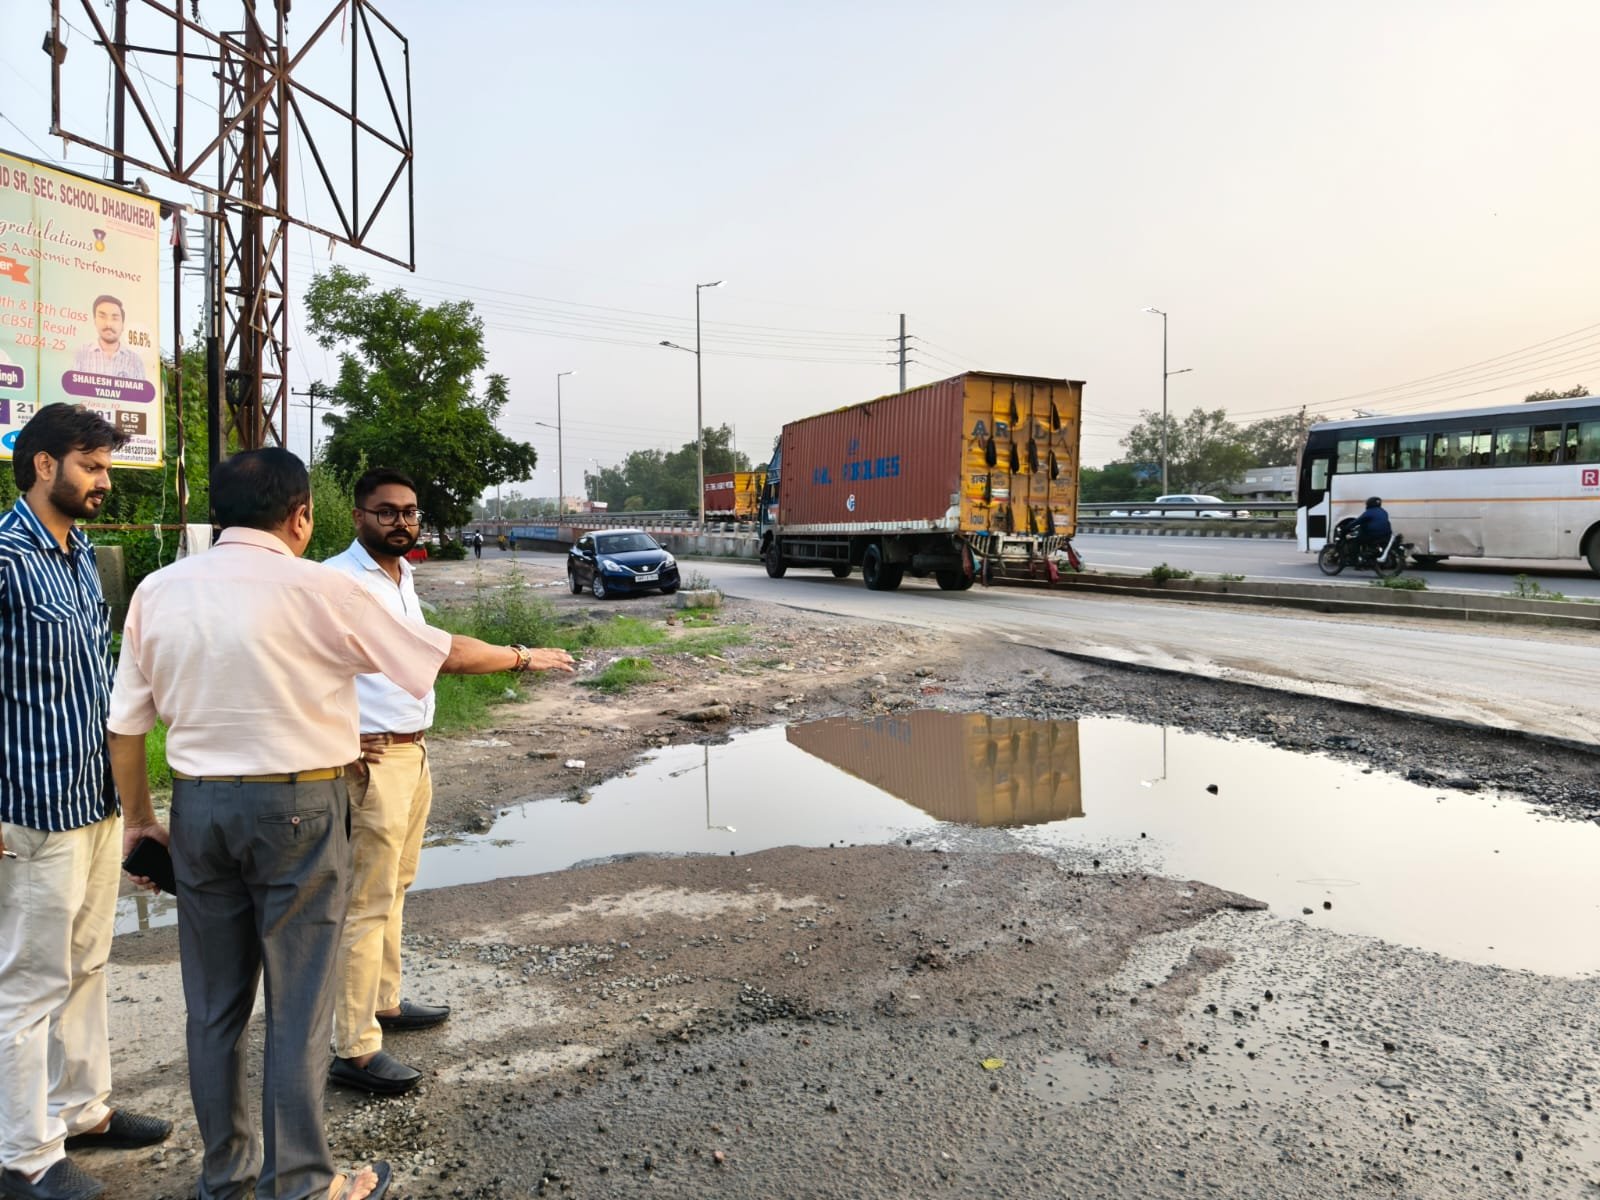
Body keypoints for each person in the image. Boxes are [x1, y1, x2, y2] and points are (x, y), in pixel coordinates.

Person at [106, 448, 574, 1200]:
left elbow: (125, 726)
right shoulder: (320, 588)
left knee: (214, 1010)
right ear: (302, 516)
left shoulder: (158, 591)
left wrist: (140, 822)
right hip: (298, 806)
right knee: (299, 1001)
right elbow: (440, 655)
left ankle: (224, 1179)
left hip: (198, 809)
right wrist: (524, 655)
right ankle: (301, 1183)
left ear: (219, 514)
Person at [0, 404, 171, 1200]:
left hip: (91, 802)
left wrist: (129, 807)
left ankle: (83, 1111)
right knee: (29, 983)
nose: (105, 480)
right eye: (92, 466)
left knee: (87, 966)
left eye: (106, 466)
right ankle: (25, 1157)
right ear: (43, 465)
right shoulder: (4, 558)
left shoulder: (75, 558)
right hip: (29, 808)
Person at [321, 471, 452, 1096]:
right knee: (367, 902)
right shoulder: (336, 582)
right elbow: (303, 669)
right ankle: (354, 1048)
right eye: (387, 513)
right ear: (357, 517)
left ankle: (385, 1002)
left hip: (413, 755)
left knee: (396, 887)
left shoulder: (404, 577)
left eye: (410, 512)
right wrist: (338, 739)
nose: (402, 522)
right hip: (371, 764)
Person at [70, 297, 146, 381]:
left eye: (115, 318)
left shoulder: (135, 361)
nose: (108, 324)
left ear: (123, 325)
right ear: (95, 321)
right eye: (102, 317)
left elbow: (140, 394)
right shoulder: (81, 354)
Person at [1354, 496, 1391, 562]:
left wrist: (1346, 527)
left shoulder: (1369, 512)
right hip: (1386, 534)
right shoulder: (1384, 511)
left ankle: (1359, 558)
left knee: (1357, 540)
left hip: (1374, 534)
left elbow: (1357, 521)